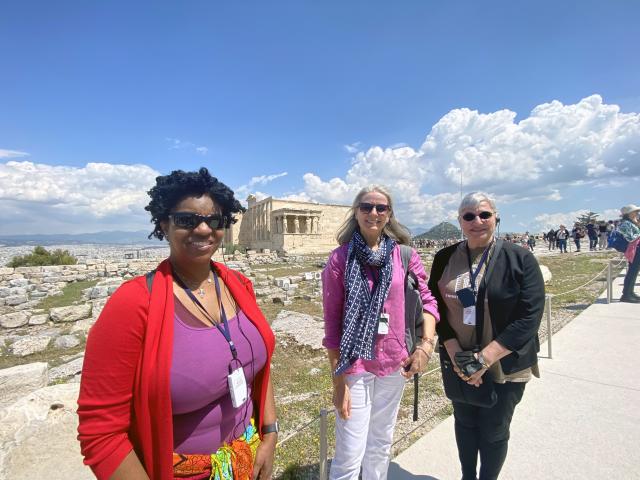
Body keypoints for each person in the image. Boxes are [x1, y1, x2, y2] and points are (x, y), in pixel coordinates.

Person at [77, 168, 277, 480]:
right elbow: (100, 434)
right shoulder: (131, 304)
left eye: (215, 220)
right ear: (163, 223)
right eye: (186, 220)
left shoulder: (240, 285)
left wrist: (270, 433)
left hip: (248, 458)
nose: (203, 229)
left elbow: (260, 370)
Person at [322, 185, 439, 480]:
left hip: (394, 360)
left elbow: (427, 300)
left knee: (380, 444)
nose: (373, 213)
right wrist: (338, 383)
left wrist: (425, 345)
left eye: (380, 208)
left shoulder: (404, 255)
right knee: (350, 450)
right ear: (356, 211)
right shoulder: (339, 259)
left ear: (389, 214)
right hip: (355, 364)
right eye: (366, 207)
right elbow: (332, 325)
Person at [428, 192, 545, 480]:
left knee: (494, 430)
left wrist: (483, 359)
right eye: (468, 216)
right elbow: (434, 306)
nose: (476, 221)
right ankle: (468, 476)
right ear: (460, 222)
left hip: (504, 362)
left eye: (484, 215)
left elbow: (529, 316)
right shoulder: (444, 258)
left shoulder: (520, 258)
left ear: (496, 218)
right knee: (465, 423)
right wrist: (456, 354)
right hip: (458, 359)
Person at [618, 204, 640, 303]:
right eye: (635, 211)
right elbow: (630, 238)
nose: (637, 213)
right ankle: (626, 294)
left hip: (636, 248)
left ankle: (629, 292)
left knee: (634, 271)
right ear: (629, 213)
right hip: (634, 249)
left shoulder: (630, 222)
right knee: (632, 271)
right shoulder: (625, 223)